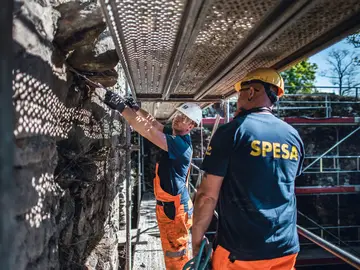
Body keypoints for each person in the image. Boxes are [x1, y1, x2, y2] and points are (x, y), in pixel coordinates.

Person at [192, 68, 305, 270]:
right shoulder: (293, 136)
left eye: (240, 93)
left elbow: (207, 196)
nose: (238, 99)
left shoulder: (232, 131)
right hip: (285, 248)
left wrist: (196, 240)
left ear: (251, 92)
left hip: (241, 252)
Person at [103, 92, 202, 270]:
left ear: (191, 126)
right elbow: (154, 123)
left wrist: (122, 108)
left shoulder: (180, 145)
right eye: (179, 114)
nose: (179, 119)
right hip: (171, 205)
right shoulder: (175, 134)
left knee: (175, 255)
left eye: (185, 118)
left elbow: (148, 131)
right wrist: (136, 109)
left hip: (175, 209)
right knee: (171, 250)